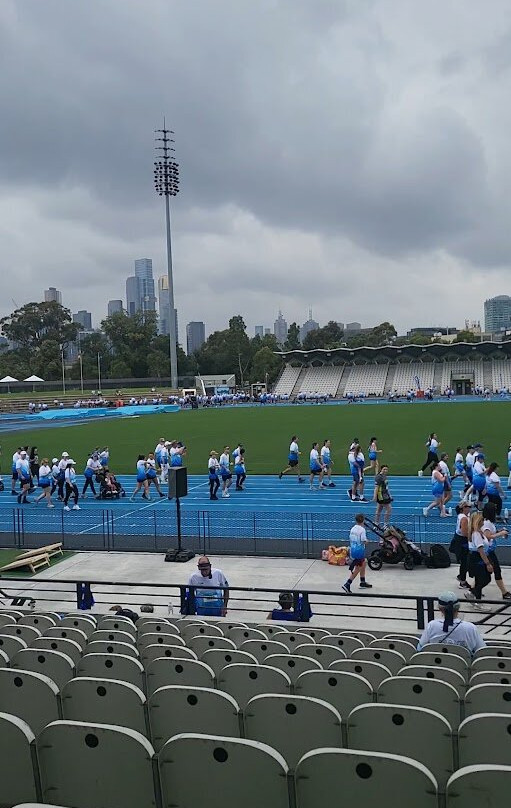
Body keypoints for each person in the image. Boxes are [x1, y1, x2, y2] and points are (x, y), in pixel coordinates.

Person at [417, 591, 485, 655]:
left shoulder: (431, 626)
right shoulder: (471, 628)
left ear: (440, 609)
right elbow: (482, 651)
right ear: (458, 608)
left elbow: (420, 648)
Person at [482, 502, 511, 600]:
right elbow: (488, 536)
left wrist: (499, 531)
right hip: (488, 551)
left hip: (490, 550)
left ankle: (474, 589)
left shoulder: (489, 522)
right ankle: (504, 592)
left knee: (485, 572)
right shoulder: (487, 523)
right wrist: (501, 533)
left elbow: (491, 533)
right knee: (496, 570)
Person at [465, 511, 493, 605]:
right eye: (482, 520)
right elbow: (480, 550)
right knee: (484, 579)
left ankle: (477, 599)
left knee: (479, 580)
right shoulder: (476, 534)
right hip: (477, 558)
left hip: (477, 557)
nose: (483, 521)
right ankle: (474, 594)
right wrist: (488, 563)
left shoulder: (479, 532)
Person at [342, 513, 373, 593]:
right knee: (358, 568)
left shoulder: (352, 529)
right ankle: (347, 583)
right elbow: (363, 541)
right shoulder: (362, 530)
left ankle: (362, 581)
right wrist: (367, 541)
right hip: (359, 551)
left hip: (353, 549)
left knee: (364, 563)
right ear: (363, 520)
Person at [450, 501, 471, 589]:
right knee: (465, 562)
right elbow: (464, 532)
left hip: (460, 540)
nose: (470, 508)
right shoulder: (464, 518)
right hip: (462, 542)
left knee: (465, 562)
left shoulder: (461, 516)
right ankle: (462, 579)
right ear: (464, 508)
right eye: (468, 506)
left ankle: (462, 578)